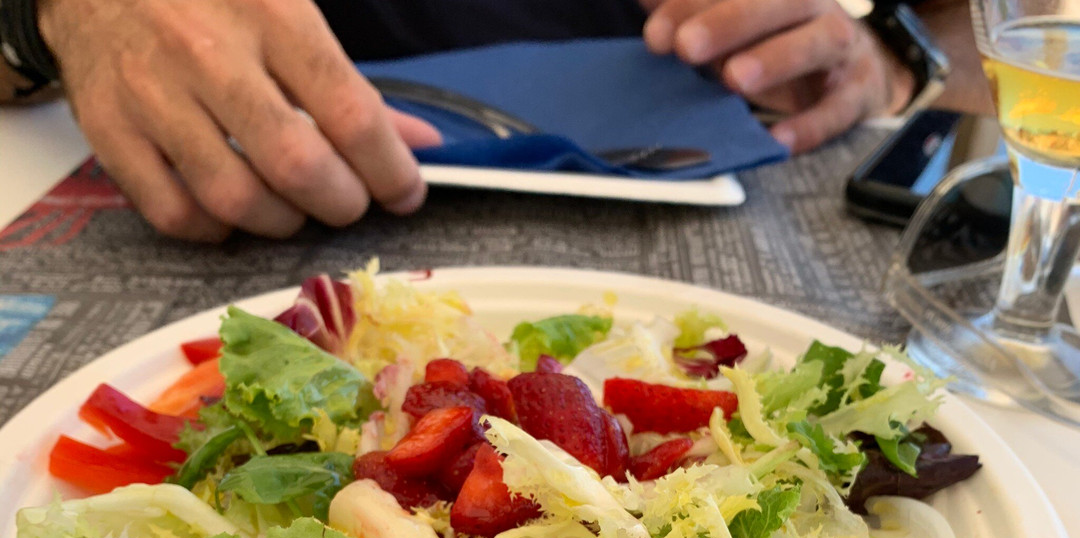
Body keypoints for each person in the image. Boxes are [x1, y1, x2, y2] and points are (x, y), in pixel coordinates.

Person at [0, 0, 989, 242]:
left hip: (741, 188)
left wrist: (891, 47)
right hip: (243, 201)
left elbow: (985, 28)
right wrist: (63, 15)